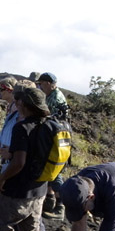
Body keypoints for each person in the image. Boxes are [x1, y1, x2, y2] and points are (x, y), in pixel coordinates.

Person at [0, 86, 52, 231]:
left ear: (23, 104)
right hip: (39, 189)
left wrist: (1, 180)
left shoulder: (22, 127)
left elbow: (18, 163)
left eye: (17, 102)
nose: (15, 105)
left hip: (17, 190)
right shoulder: (49, 125)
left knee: (3, 226)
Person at [37, 72, 69, 218]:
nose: (40, 86)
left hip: (56, 137)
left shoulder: (54, 98)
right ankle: (49, 202)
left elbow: (45, 116)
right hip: (59, 135)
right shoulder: (53, 95)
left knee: (54, 171)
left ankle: (61, 206)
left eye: (42, 83)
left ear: (49, 83)